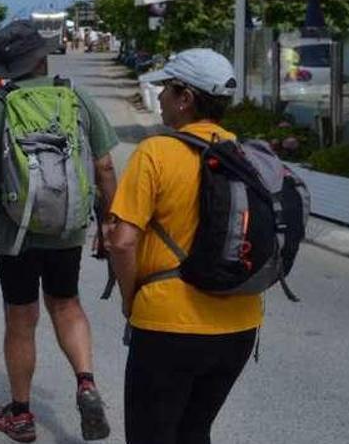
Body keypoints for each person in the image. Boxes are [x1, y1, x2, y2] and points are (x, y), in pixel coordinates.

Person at [0, 20, 118, 443]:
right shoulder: (75, 98)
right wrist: (109, 220)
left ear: (8, 67)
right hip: (67, 226)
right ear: (43, 59)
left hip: (17, 231)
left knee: (21, 319)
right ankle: (85, 382)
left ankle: (21, 414)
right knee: (67, 305)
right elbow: (104, 166)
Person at [105, 49, 259, 444]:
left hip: (167, 324)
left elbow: (121, 242)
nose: (158, 97)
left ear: (185, 98)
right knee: (194, 432)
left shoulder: (156, 152)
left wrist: (130, 299)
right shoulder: (246, 156)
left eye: (165, 90)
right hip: (239, 325)